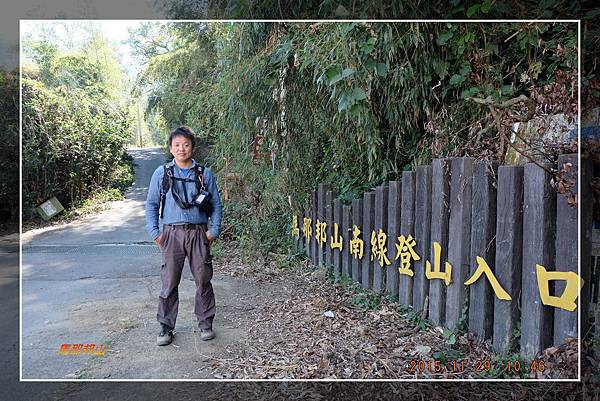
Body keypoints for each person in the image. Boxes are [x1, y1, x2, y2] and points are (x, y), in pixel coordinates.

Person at [145, 126, 223, 346]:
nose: (182, 149)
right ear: (170, 148)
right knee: (169, 282)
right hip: (171, 233)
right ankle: (165, 326)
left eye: (186, 144)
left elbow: (216, 205)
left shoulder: (204, 174)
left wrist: (213, 230)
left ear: (193, 147)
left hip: (198, 233)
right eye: (177, 145)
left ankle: (206, 323)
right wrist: (155, 233)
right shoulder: (162, 173)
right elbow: (152, 205)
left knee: (203, 279)